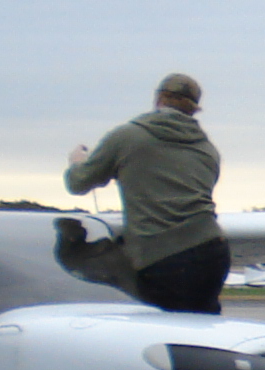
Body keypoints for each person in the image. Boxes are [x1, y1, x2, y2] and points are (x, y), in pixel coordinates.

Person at [64, 73, 228, 314]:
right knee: (198, 336)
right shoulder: (208, 150)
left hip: (161, 258)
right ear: (193, 110)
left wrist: (77, 163)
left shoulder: (127, 136)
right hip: (213, 252)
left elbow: (78, 183)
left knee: (160, 335)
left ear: (158, 100)